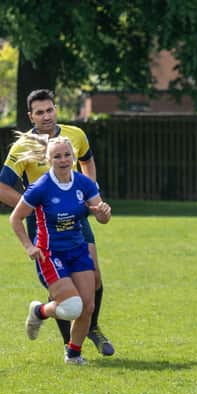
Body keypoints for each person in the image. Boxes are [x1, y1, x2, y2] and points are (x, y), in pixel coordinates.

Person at [0, 89, 115, 356]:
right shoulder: (24, 147)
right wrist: (32, 204)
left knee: (94, 276)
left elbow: (87, 160)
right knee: (63, 284)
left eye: (49, 110)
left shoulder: (75, 135)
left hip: (76, 217)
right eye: (39, 112)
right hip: (44, 223)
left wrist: (91, 194)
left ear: (56, 110)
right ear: (31, 116)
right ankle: (70, 345)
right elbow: (2, 186)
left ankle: (91, 327)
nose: (46, 116)